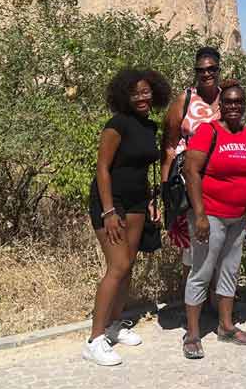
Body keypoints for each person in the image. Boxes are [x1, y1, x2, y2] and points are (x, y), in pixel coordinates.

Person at [84, 67, 171, 367]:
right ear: (124, 96)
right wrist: (109, 210)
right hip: (112, 201)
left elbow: (147, 169)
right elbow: (102, 168)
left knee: (129, 264)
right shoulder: (117, 124)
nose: (142, 97)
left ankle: (114, 325)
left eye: (146, 91)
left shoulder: (149, 126)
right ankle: (94, 340)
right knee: (117, 266)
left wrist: (151, 202)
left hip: (137, 202)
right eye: (135, 93)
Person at [181, 80, 246, 359]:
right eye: (228, 102)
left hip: (238, 218)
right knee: (202, 272)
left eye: (239, 102)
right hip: (211, 216)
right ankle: (192, 334)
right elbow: (192, 172)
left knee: (230, 271)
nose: (234, 106)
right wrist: (200, 214)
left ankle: (226, 327)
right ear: (221, 106)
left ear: (244, 105)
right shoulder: (208, 131)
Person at [162, 46, 223, 282]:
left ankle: (217, 300)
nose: (206, 74)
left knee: (219, 240)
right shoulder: (185, 100)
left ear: (218, 69)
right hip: (189, 183)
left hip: (220, 181)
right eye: (201, 70)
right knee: (191, 247)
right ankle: (193, 304)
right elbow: (169, 145)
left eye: (211, 69)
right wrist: (167, 187)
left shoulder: (227, 98)